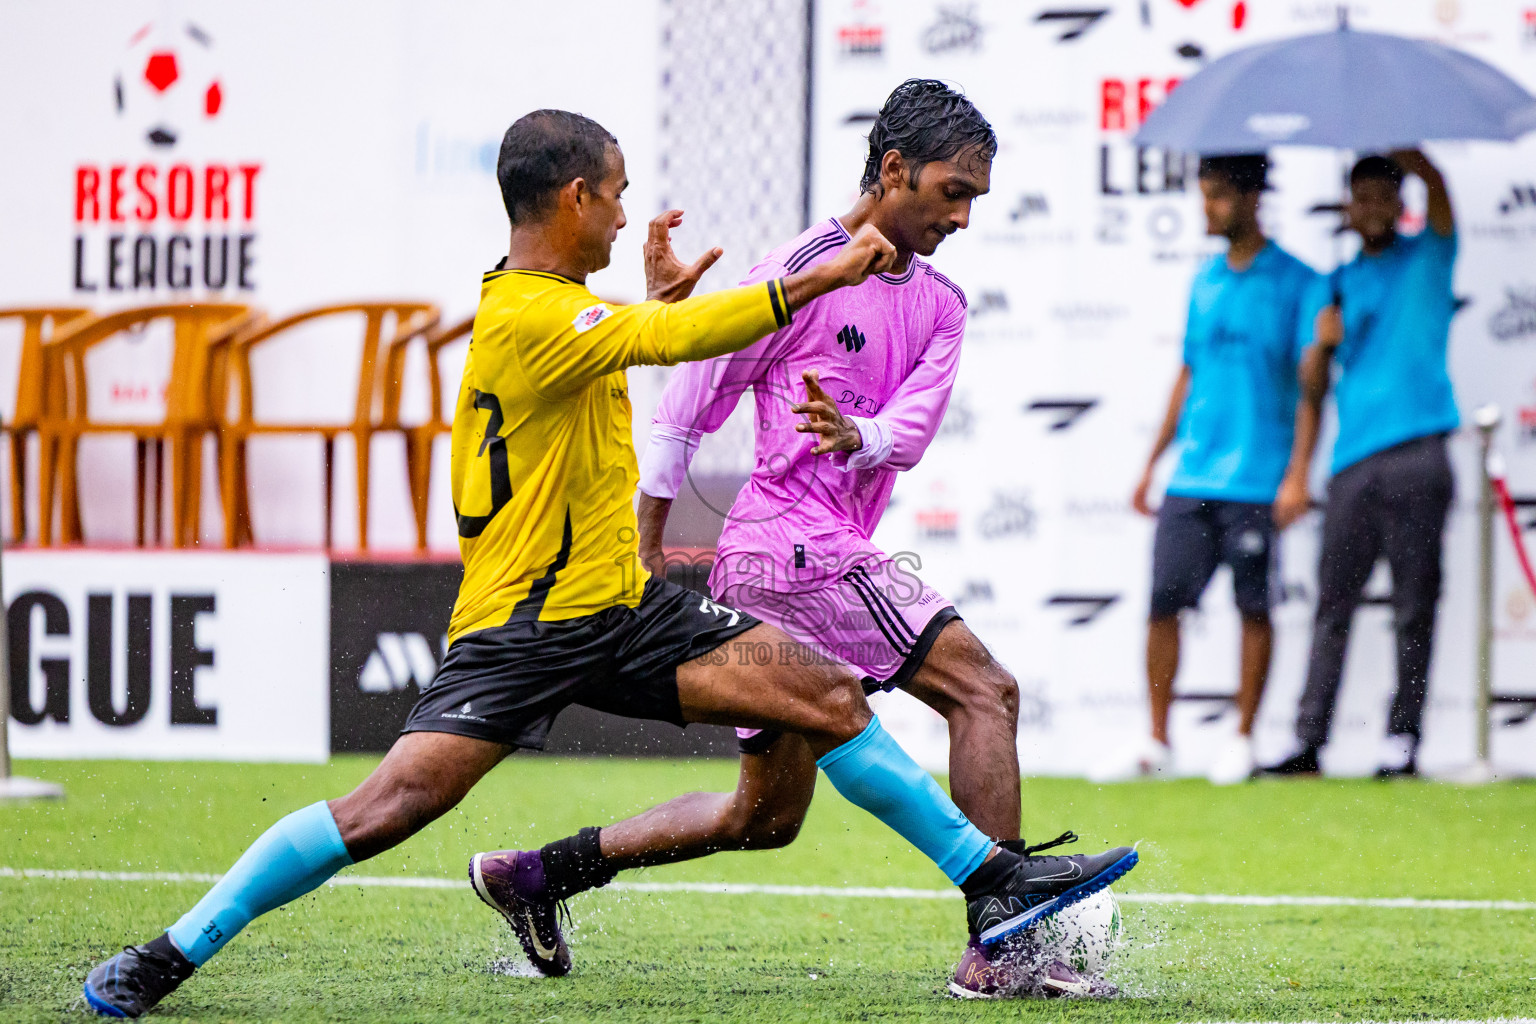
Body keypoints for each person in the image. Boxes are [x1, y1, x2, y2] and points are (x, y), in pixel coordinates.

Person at [83, 109, 1136, 1019]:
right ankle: (169, 953)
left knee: (822, 693)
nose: (629, 217)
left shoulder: (556, 313)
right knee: (383, 811)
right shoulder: (530, 317)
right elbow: (672, 350)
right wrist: (821, 275)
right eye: (619, 196)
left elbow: (641, 341)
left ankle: (991, 880)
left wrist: (665, 307)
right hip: (524, 631)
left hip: (620, 608)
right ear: (576, 195)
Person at [471, 80, 1116, 1002]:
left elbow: (915, 429)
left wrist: (862, 437)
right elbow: (693, 405)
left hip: (808, 550)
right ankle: (1001, 940)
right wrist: (648, 545)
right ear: (893, 171)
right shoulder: (804, 267)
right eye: (951, 191)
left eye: (976, 197)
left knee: (763, 816)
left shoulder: (942, 303)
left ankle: (537, 875)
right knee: (983, 689)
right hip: (791, 544)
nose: (965, 215)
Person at [1101, 154, 1319, 785]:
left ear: (1253, 199)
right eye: (1204, 196)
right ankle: (1156, 741)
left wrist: (1298, 472)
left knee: (1253, 608)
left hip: (1257, 477)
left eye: (1219, 197)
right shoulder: (1204, 280)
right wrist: (1151, 463)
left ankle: (1242, 738)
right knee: (1163, 604)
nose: (1208, 209)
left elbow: (1312, 388)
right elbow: (1189, 373)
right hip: (1192, 475)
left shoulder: (1301, 282)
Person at [1265, 150, 1459, 779]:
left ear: (1400, 203)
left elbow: (1441, 191)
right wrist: (1321, 344)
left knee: (1414, 603)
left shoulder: (1427, 256)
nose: (1371, 206)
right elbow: (1312, 389)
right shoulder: (1335, 282)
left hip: (1419, 452)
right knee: (1333, 607)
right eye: (1361, 195)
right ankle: (1310, 741)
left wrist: (1411, 152)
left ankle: (1401, 740)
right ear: (1347, 204)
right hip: (1351, 462)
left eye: (1384, 195)